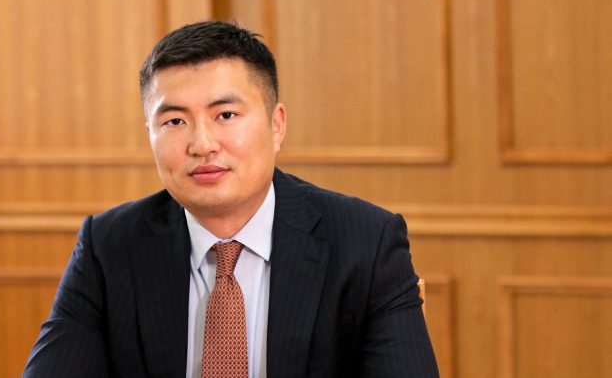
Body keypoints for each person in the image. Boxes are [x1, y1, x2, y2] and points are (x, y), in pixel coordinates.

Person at [23, 21, 439, 377]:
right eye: (175, 121)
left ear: (276, 125)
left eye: (225, 115)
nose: (202, 144)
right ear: (149, 133)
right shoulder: (109, 246)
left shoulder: (366, 242)